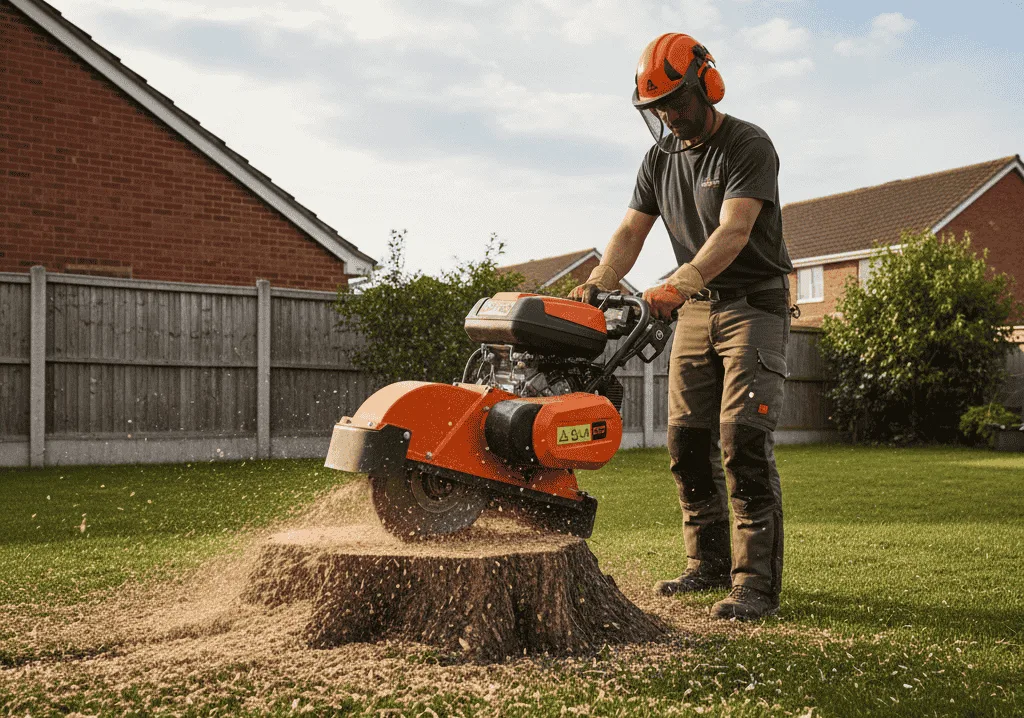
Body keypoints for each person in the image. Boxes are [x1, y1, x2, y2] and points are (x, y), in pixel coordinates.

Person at [569, 33, 793, 620]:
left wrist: (680, 281)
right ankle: (708, 564)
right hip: (696, 309)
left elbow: (735, 230)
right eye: (659, 108)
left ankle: (755, 586)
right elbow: (630, 231)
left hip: (752, 305)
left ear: (706, 86)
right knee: (686, 442)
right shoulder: (658, 158)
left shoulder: (748, 145)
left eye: (678, 102)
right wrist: (601, 278)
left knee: (743, 440)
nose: (670, 116)